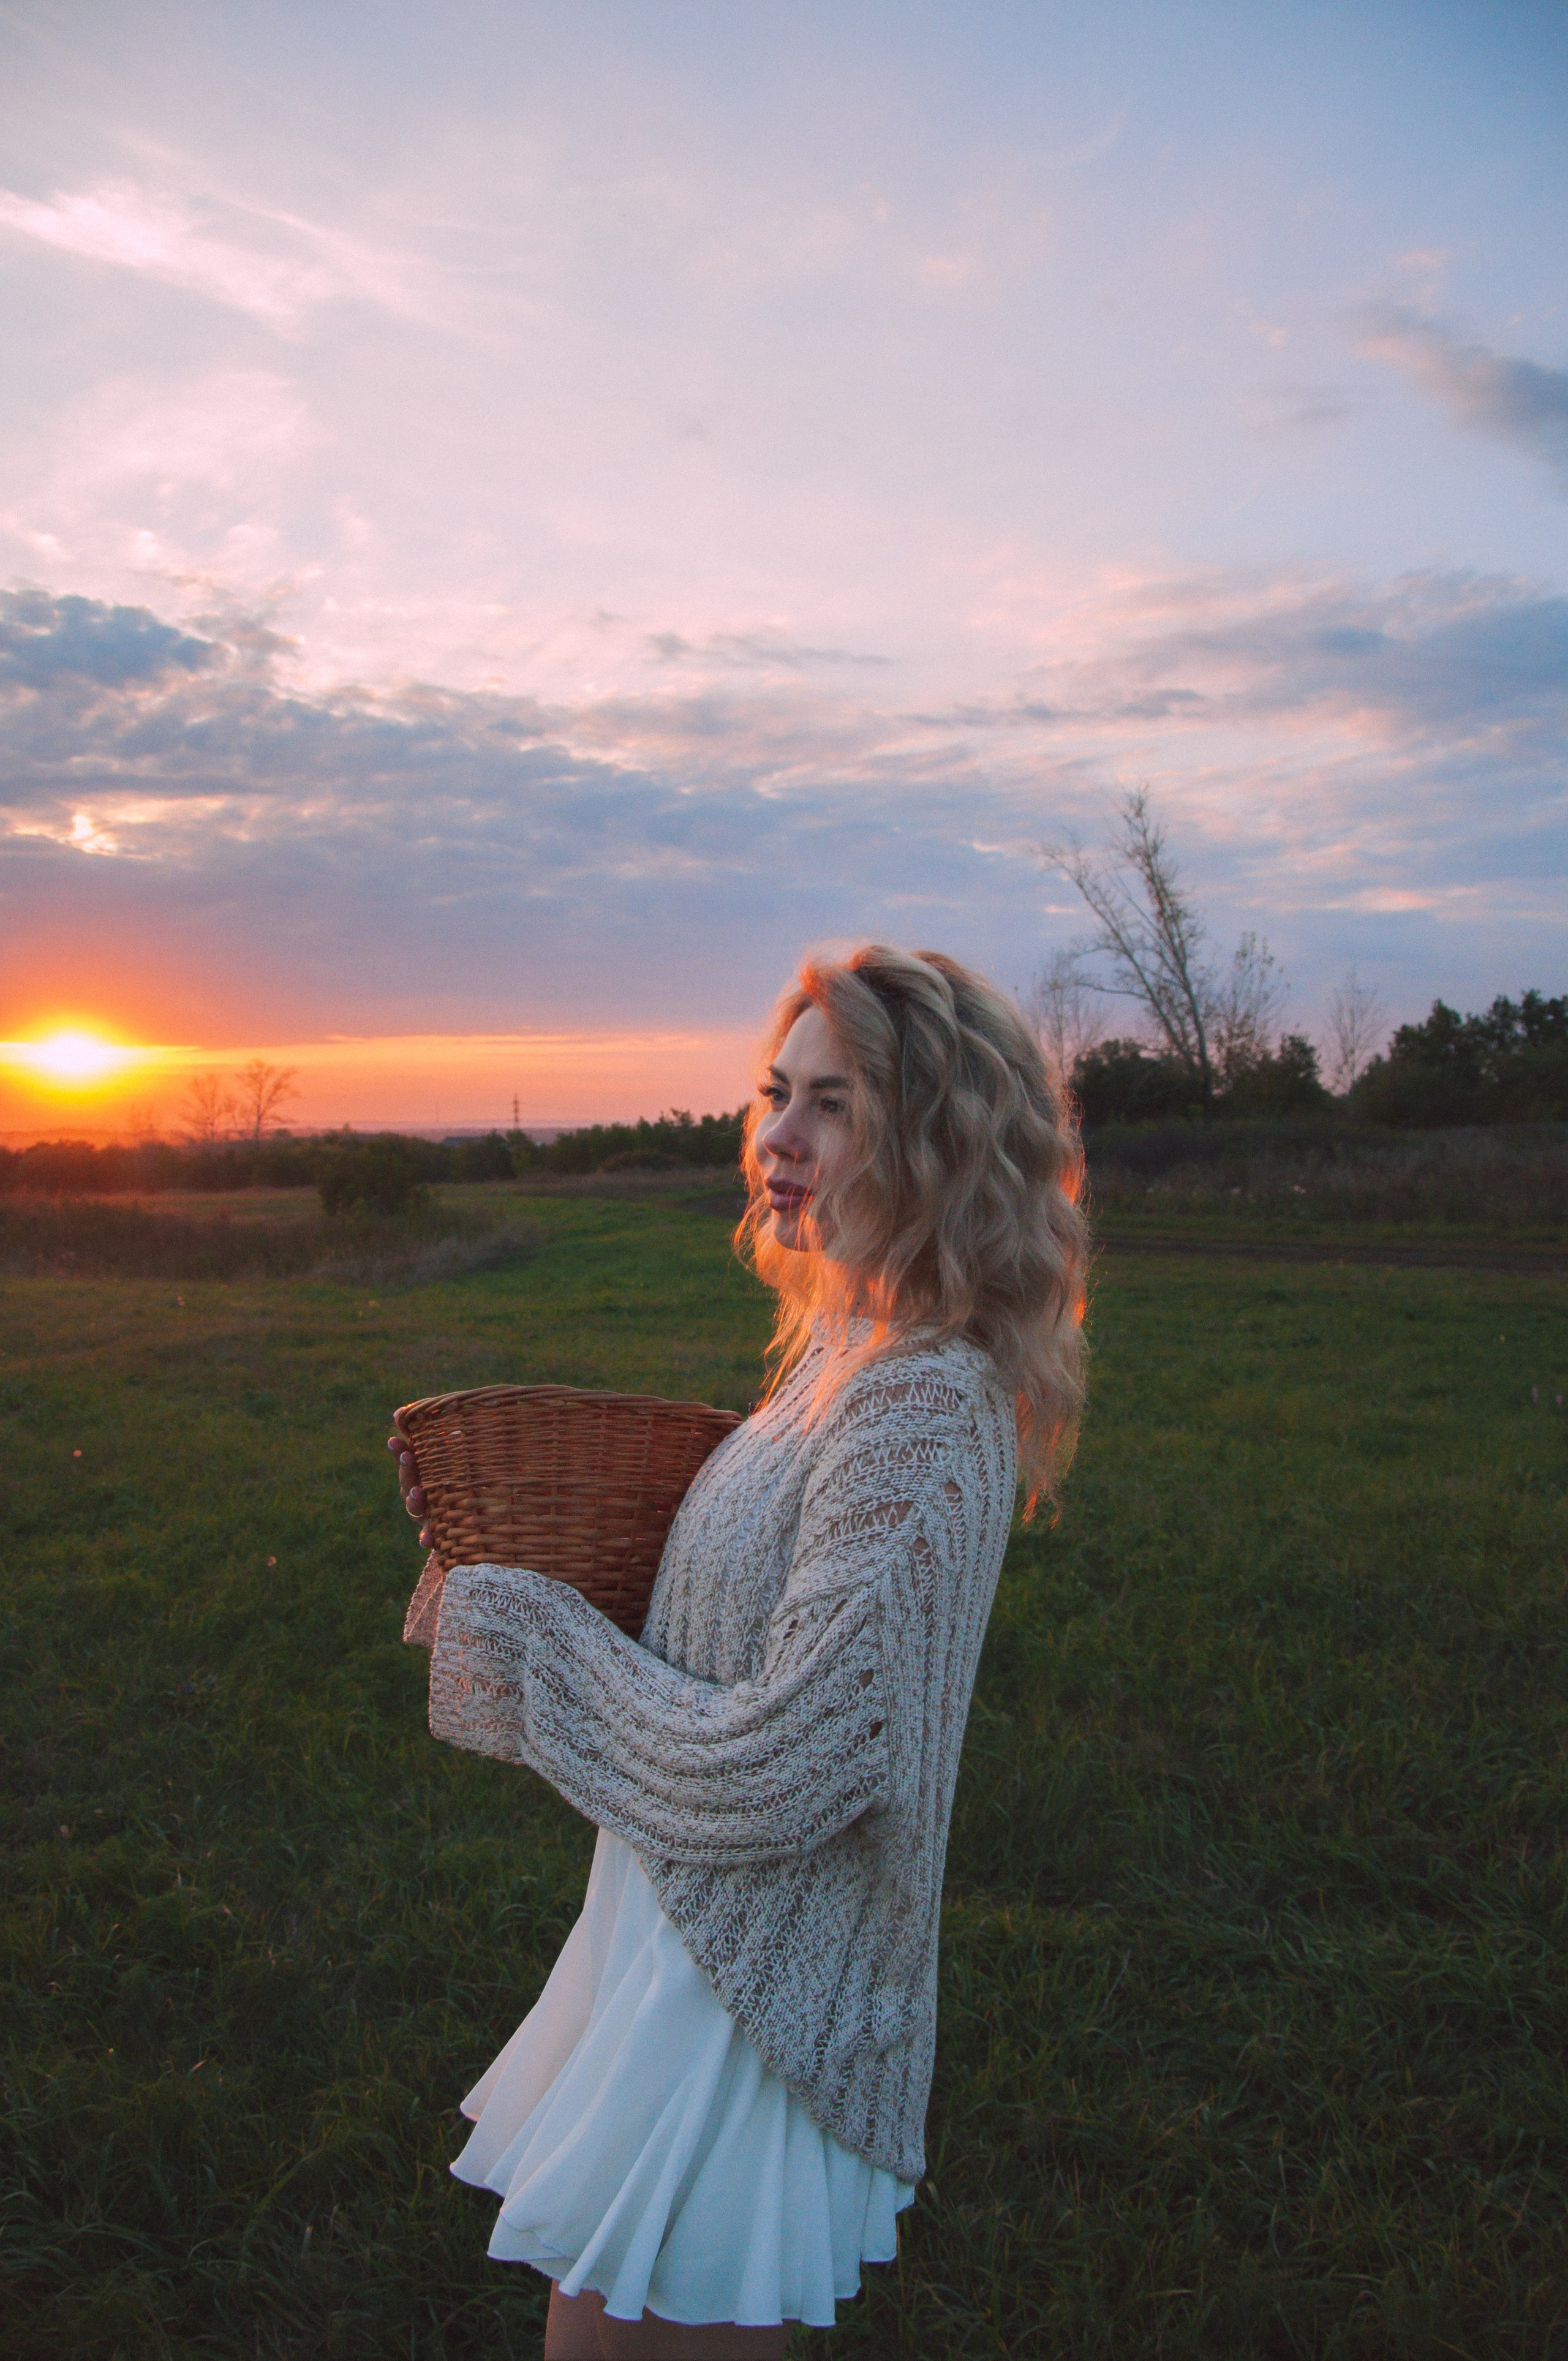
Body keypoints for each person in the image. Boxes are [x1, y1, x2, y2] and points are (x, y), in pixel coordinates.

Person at [389, 944, 1088, 2358]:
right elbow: (730, 1617)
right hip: (687, 1931)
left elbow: (788, 1765)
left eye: (835, 1102)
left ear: (938, 1138)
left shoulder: (917, 1401)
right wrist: (512, 1559)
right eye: (777, 1092)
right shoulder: (843, 1350)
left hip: (755, 1993)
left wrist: (524, 1631)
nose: (778, 1135)